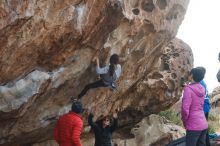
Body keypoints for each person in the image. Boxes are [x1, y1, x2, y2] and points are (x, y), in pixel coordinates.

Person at [181, 68, 208, 146]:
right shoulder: (202, 88)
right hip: (203, 123)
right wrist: (187, 87)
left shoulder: (188, 90)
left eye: (190, 73)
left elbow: (185, 109)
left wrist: (184, 121)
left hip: (193, 125)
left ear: (191, 75)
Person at [197, 66, 211, 146]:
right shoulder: (202, 82)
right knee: (204, 129)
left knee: (202, 130)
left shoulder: (200, 83)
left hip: (203, 109)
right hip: (205, 108)